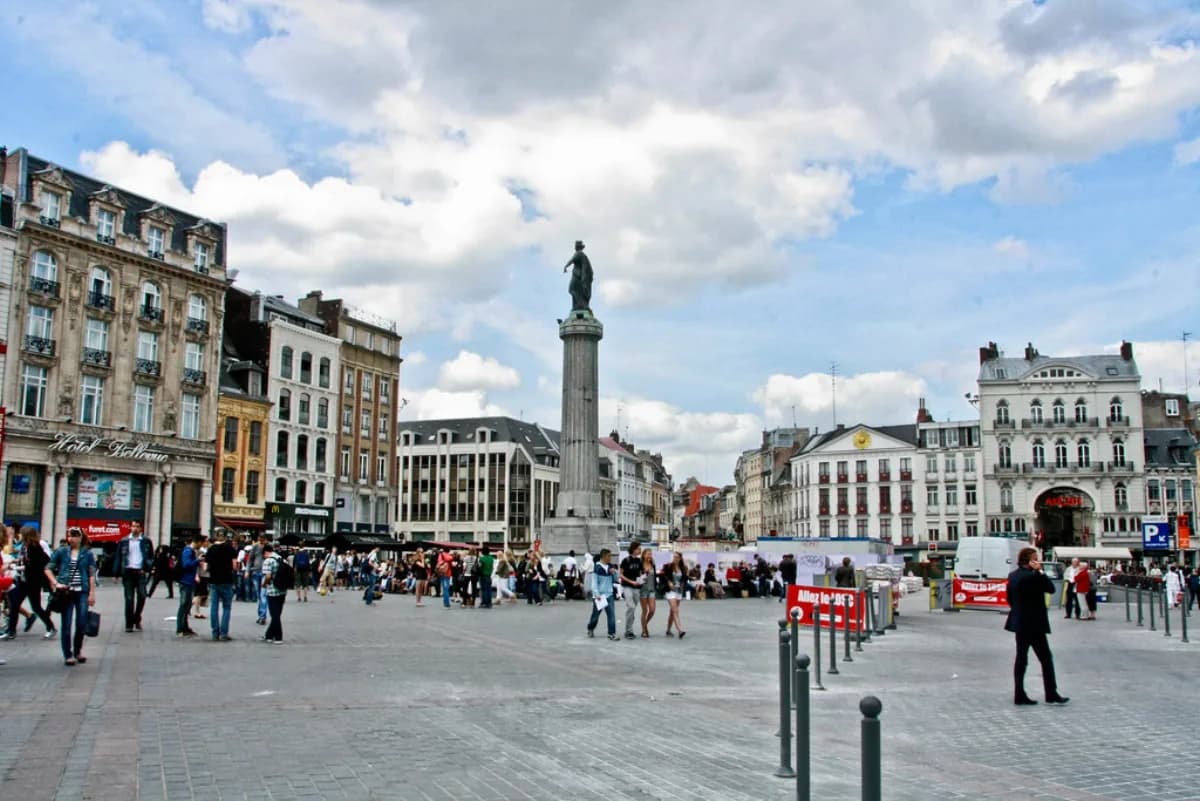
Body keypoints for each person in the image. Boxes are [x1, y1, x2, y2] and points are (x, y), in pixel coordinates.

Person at [1004, 547, 1068, 706]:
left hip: (1019, 622)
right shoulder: (1033, 576)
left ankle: (1019, 693)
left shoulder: (1013, 576)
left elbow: (1009, 598)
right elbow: (1051, 589)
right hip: (1034, 623)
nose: (1038, 561)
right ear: (1030, 561)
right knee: (1046, 659)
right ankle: (1051, 693)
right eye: (1035, 558)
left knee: (1021, 659)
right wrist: (1041, 571)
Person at [44, 526, 96, 667]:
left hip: (82, 591)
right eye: (69, 535)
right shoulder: (61, 552)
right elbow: (48, 568)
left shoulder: (87, 554)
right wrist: (56, 583)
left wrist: (92, 593)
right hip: (66, 592)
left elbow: (91, 574)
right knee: (66, 624)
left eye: (74, 535)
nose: (71, 538)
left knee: (81, 622)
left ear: (81, 537)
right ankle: (68, 654)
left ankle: (77, 650)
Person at [5, 526, 55, 640]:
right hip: (23, 581)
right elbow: (24, 561)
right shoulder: (25, 547)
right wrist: (17, 562)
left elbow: (33, 565)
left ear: (27, 536)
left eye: (22, 534)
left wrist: (15, 568)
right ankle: (11, 631)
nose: (20, 536)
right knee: (15, 604)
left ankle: (50, 627)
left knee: (36, 607)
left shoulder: (35, 548)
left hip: (32, 582)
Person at [114, 521, 153, 633]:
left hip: (140, 572)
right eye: (133, 526)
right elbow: (118, 557)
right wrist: (116, 573)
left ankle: (137, 618)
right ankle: (129, 624)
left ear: (141, 528)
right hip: (128, 572)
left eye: (137, 526)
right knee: (129, 599)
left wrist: (147, 568)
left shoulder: (146, 541)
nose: (135, 528)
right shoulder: (124, 541)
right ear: (130, 528)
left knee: (142, 596)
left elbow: (150, 556)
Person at [204, 529, 238, 641]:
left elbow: (206, 567)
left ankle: (215, 633)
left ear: (216, 536)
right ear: (225, 537)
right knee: (227, 607)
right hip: (227, 581)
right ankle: (224, 633)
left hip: (214, 581)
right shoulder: (230, 548)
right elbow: (234, 566)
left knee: (214, 607)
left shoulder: (211, 549)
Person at [586, 548, 617, 640]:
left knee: (611, 615)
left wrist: (614, 573)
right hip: (600, 595)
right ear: (603, 556)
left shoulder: (611, 566)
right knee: (595, 615)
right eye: (609, 556)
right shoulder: (597, 567)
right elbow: (594, 582)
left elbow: (615, 579)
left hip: (609, 594)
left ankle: (611, 633)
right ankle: (590, 628)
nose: (610, 558)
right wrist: (596, 594)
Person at [174, 535, 200, 637]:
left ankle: (184, 627)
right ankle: (180, 628)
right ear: (196, 542)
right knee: (184, 605)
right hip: (185, 581)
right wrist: (197, 561)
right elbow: (186, 565)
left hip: (188, 581)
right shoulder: (188, 551)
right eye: (201, 543)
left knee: (187, 605)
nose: (201, 545)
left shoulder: (190, 551)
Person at [260, 543, 286, 643]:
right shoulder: (281, 558)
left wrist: (264, 584)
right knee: (277, 613)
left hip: (272, 590)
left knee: (274, 615)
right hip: (282, 590)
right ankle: (269, 635)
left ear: (266, 552)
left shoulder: (268, 561)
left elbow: (267, 576)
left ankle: (278, 637)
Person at [619, 542, 645, 639]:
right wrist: (631, 582)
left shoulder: (639, 561)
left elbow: (641, 573)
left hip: (637, 587)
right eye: (638, 548)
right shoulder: (626, 560)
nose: (640, 550)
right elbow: (620, 575)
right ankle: (628, 631)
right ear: (633, 549)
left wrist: (642, 579)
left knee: (632, 609)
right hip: (627, 586)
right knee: (631, 607)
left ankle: (629, 630)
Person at [663, 552, 687, 638]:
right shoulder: (668, 566)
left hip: (678, 591)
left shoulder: (683, 568)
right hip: (670, 591)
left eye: (677, 557)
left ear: (680, 558)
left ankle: (668, 630)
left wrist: (682, 586)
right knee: (675, 610)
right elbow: (665, 576)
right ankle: (680, 629)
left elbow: (684, 579)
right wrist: (669, 582)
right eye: (674, 557)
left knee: (672, 612)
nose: (675, 558)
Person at [638, 549, 658, 637]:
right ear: (643, 555)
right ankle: (644, 630)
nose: (650, 555)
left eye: (651, 554)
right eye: (648, 554)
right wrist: (643, 575)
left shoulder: (652, 564)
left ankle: (644, 624)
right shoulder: (640, 565)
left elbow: (654, 576)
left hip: (652, 589)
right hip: (643, 590)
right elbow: (638, 578)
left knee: (652, 610)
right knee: (645, 610)